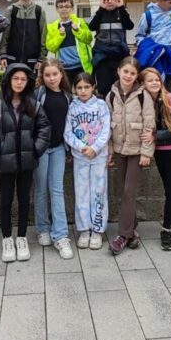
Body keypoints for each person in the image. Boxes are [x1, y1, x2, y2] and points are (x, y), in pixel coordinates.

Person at [0, 63, 52, 263]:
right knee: (5, 201)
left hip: (26, 163)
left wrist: (35, 150)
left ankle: (21, 237)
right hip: (5, 163)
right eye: (15, 78)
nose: (19, 82)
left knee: (23, 200)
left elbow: (44, 129)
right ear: (8, 80)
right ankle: (7, 238)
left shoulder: (33, 105)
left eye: (23, 79)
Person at [107, 57, 155, 254]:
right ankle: (133, 232)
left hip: (137, 151)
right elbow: (107, 127)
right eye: (125, 71)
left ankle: (122, 235)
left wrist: (146, 152)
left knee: (129, 191)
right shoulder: (111, 95)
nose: (128, 76)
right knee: (124, 192)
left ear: (137, 76)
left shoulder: (143, 96)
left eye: (132, 73)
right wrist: (110, 152)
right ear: (119, 71)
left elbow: (149, 125)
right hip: (120, 150)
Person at [141, 67, 171, 251]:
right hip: (159, 151)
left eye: (157, 80)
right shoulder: (144, 101)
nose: (154, 83)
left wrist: (156, 135)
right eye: (150, 80)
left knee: (170, 190)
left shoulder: (170, 99)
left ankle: (166, 229)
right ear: (143, 84)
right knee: (170, 189)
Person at [65, 72, 111, 250]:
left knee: (99, 192)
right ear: (74, 89)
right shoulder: (72, 107)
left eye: (86, 87)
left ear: (93, 87)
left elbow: (106, 130)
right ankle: (84, 229)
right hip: (80, 157)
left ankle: (98, 229)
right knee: (82, 193)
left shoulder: (101, 105)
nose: (83, 91)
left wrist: (95, 148)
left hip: (99, 156)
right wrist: (81, 147)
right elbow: (67, 132)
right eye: (79, 88)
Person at [33, 60, 74, 258]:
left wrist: (68, 149)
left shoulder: (67, 96)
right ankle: (42, 228)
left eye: (54, 74)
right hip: (41, 149)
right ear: (42, 76)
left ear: (61, 74)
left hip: (58, 148)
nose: (51, 78)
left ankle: (61, 235)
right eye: (47, 75)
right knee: (41, 189)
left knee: (57, 190)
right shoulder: (38, 94)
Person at [135, 0, 171, 90]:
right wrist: (146, 49)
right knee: (155, 82)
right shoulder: (147, 16)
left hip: (170, 51)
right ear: (160, 0)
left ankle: (168, 100)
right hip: (155, 53)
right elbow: (140, 35)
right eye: (170, 2)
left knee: (169, 84)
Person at [88, 0, 134, 98]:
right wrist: (100, 9)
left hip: (119, 56)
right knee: (104, 89)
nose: (110, 1)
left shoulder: (122, 12)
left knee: (120, 88)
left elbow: (129, 26)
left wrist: (121, 7)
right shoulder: (98, 14)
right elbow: (92, 27)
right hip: (102, 57)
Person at [0, 0, 47, 72]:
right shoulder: (11, 10)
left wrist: (41, 58)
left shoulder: (39, 11)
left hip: (32, 60)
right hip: (12, 57)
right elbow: (5, 34)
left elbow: (43, 35)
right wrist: (3, 55)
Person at [46, 0, 93, 80]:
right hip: (63, 67)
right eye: (61, 7)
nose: (64, 9)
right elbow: (50, 47)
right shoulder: (52, 26)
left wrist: (77, 30)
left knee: (82, 88)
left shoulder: (80, 22)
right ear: (56, 9)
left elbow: (89, 39)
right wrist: (60, 35)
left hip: (81, 65)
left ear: (72, 8)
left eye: (67, 6)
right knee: (66, 89)